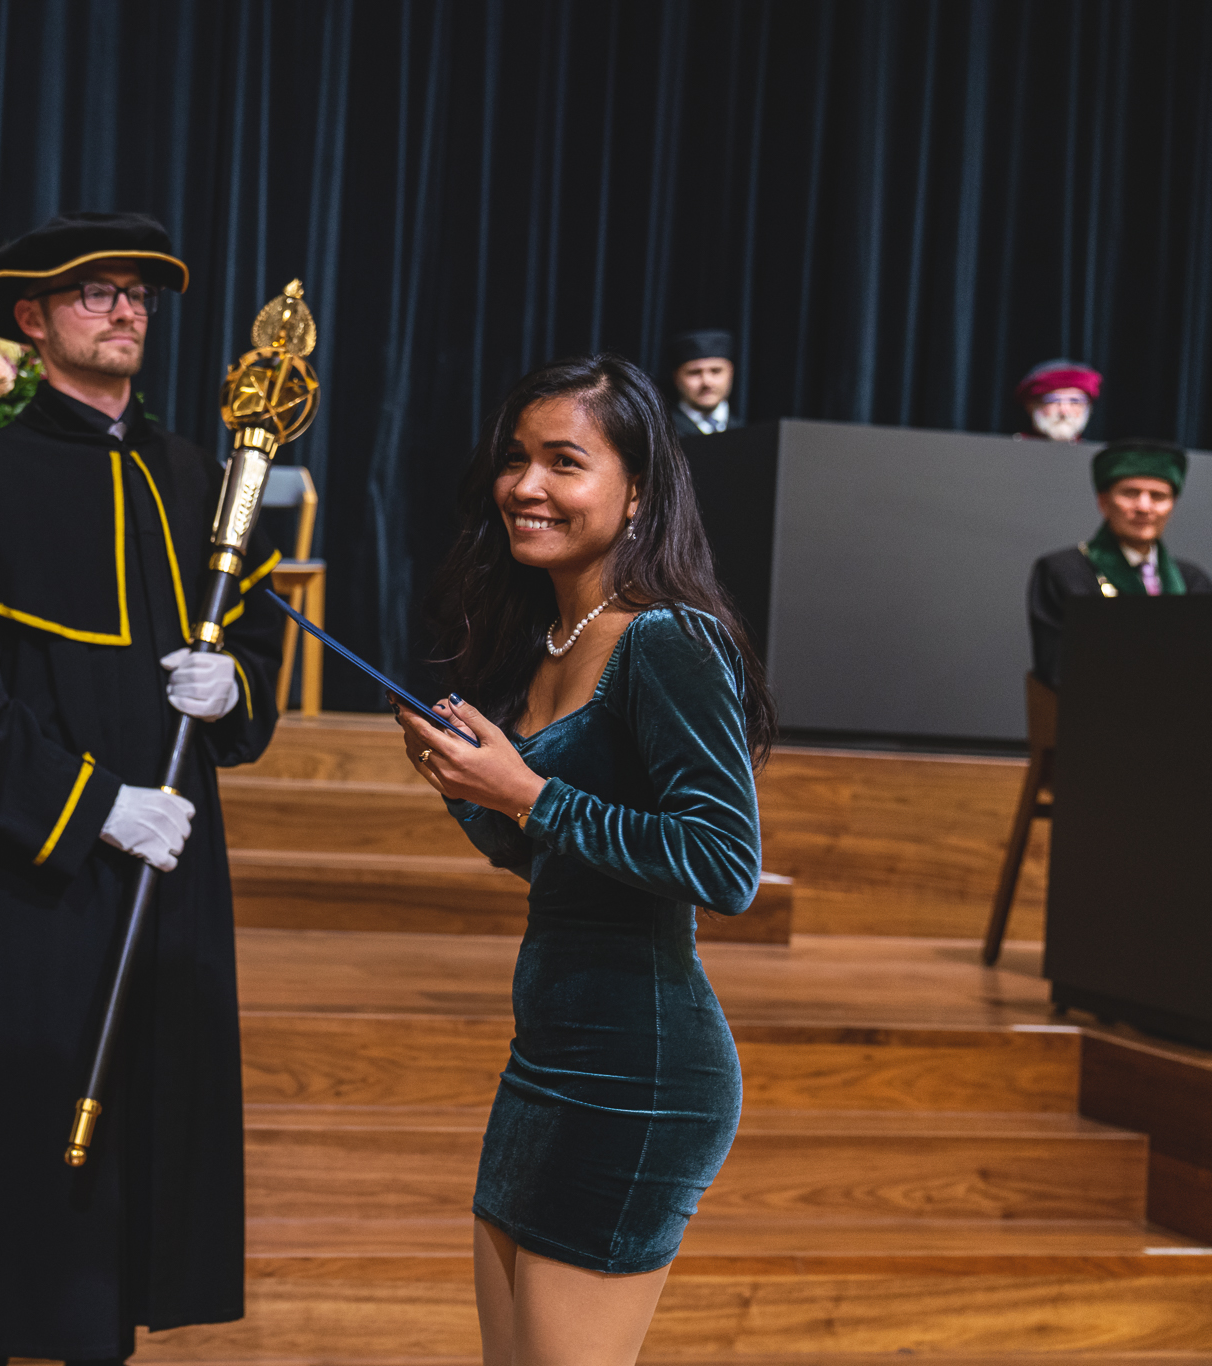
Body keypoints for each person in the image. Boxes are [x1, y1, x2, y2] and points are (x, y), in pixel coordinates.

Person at [0, 212, 287, 1366]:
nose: (124, 312)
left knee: (138, 1147)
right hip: (29, 882)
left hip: (170, 870)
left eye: (137, 295)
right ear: (31, 317)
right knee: (16, 1134)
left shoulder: (198, 477)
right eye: (94, 292)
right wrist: (96, 807)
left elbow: (256, 648)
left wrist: (234, 686)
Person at [396, 354, 770, 1366]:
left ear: (636, 490)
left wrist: (525, 792)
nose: (526, 485)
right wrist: (471, 793)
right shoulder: (548, 640)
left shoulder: (667, 639)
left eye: (564, 462)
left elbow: (723, 864)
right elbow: (562, 865)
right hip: (544, 1062)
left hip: (639, 1077)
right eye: (515, 458)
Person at [1027, 440, 1210, 687]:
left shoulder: (1192, 582)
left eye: (1158, 496)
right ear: (1103, 501)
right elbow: (1058, 671)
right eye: (1130, 493)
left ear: (1172, 506)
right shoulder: (1062, 573)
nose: (1144, 507)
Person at [665, 330, 742, 437]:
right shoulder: (660, 434)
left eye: (716, 371)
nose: (707, 382)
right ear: (676, 377)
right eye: (694, 372)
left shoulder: (747, 433)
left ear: (731, 373)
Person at [1015, 358, 1101, 442]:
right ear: (1031, 406)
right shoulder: (1013, 448)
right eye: (1054, 401)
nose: (1064, 412)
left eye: (1075, 402)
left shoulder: (1096, 451)